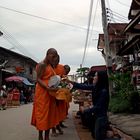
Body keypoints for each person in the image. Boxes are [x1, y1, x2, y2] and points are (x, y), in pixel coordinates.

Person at [63, 70, 110, 140]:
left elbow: (98, 107)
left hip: (101, 118)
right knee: (95, 135)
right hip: (96, 116)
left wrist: (86, 110)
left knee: (99, 136)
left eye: (96, 76)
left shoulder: (103, 91)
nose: (93, 78)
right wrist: (69, 81)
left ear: (101, 78)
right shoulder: (96, 87)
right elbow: (82, 86)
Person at [31, 48, 60, 140]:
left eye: (55, 56)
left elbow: (51, 79)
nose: (54, 58)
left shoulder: (50, 66)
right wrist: (47, 87)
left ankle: (47, 136)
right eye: (53, 56)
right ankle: (40, 136)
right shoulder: (42, 65)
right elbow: (38, 79)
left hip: (50, 93)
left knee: (49, 115)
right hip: (42, 93)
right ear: (48, 54)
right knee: (42, 114)